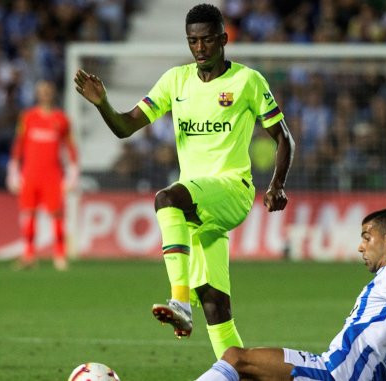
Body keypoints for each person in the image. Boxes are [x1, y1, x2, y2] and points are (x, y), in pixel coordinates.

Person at [74, 3, 294, 359]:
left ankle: (179, 302)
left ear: (223, 39)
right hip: (198, 209)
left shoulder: (246, 81)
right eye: (193, 41)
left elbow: (284, 137)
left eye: (207, 40)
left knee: (166, 199)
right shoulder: (175, 80)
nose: (200, 48)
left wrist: (277, 184)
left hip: (231, 189)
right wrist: (103, 105)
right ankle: (235, 368)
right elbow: (125, 126)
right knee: (215, 306)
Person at [195, 208, 386, 381]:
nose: (361, 246)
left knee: (237, 359)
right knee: (250, 376)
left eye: (367, 237)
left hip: (337, 375)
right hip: (339, 371)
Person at [7, 80, 79, 271]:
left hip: (52, 174)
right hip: (30, 173)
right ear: (37, 94)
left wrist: (72, 172)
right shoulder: (28, 117)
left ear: (53, 93)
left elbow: (70, 147)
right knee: (28, 213)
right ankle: (29, 255)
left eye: (48, 90)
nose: (45, 94)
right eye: (42, 91)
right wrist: (13, 170)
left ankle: (60, 255)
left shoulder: (62, 119)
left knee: (57, 215)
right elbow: (19, 144)